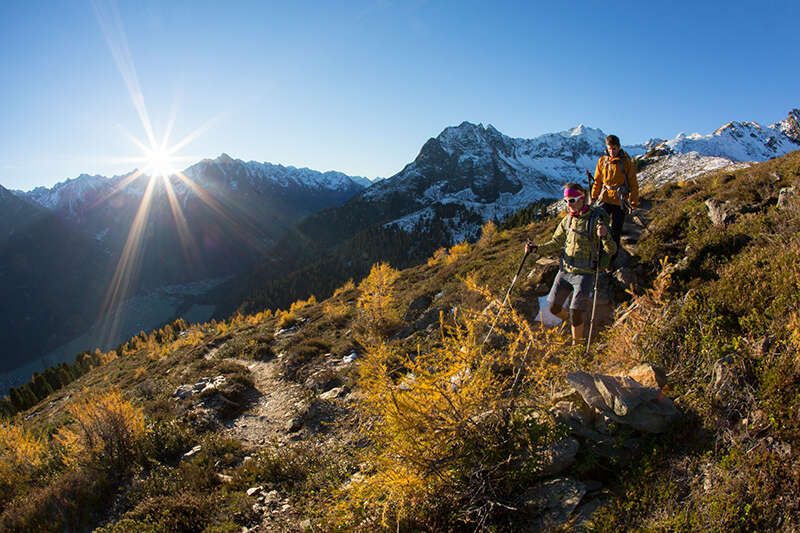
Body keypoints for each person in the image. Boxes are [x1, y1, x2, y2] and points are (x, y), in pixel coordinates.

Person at [525, 183, 616, 344]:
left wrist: (604, 236)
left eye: (572, 200)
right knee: (553, 307)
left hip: (585, 273)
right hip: (565, 270)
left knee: (576, 311)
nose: (569, 205)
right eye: (566, 201)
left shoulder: (596, 221)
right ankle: (571, 322)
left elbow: (611, 249)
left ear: (582, 199)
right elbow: (555, 242)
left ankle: (578, 345)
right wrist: (536, 249)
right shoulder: (567, 220)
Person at [589, 134, 638, 264]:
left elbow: (633, 183)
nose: (612, 151)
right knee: (599, 226)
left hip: (619, 200)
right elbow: (598, 181)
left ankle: (612, 259)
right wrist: (593, 197)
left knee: (616, 230)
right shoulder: (602, 161)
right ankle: (598, 254)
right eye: (609, 148)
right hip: (605, 198)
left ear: (619, 147)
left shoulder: (626, 162)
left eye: (614, 148)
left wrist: (633, 202)